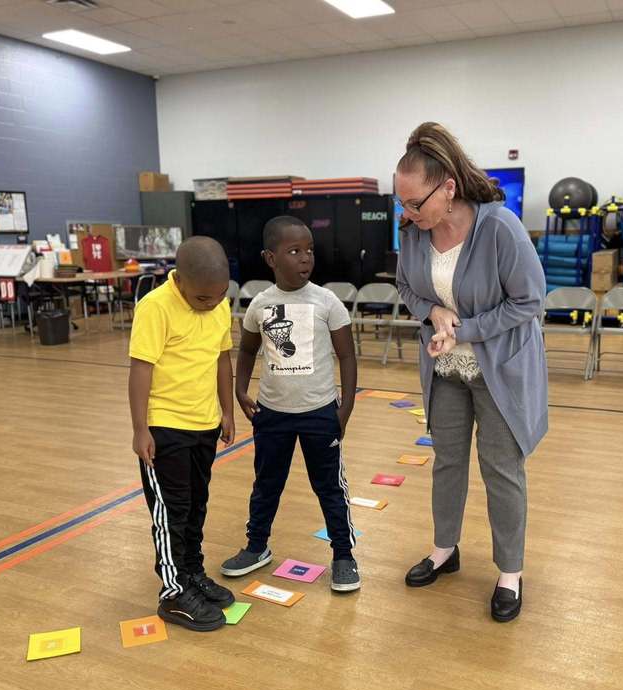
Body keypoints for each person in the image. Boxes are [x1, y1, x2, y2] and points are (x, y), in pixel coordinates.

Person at [394, 122, 548, 622]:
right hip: (445, 368)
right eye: (402, 202)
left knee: (502, 470)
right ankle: (445, 549)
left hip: (499, 367)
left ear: (449, 189)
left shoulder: (499, 227)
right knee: (447, 461)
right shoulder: (413, 233)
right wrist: (433, 314)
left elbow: (529, 301)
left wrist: (466, 330)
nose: (407, 213)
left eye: (415, 203)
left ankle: (509, 572)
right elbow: (407, 289)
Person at [220, 216, 361, 592]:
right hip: (272, 415)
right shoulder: (260, 305)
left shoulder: (326, 301)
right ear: (270, 258)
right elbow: (247, 350)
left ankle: (344, 555)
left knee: (329, 487)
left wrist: (344, 408)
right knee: (266, 484)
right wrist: (240, 390)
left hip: (319, 414)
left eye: (309, 251)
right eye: (294, 251)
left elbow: (347, 357)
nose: (305, 259)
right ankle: (256, 547)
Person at [128, 236, 237, 632]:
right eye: (202, 298)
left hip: (204, 424)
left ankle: (191, 572)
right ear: (180, 282)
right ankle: (172, 591)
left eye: (219, 295)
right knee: (170, 511)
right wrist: (141, 429)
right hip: (164, 428)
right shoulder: (155, 307)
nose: (211, 304)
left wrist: (226, 410)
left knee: (196, 506)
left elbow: (222, 358)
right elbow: (141, 368)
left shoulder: (220, 301)